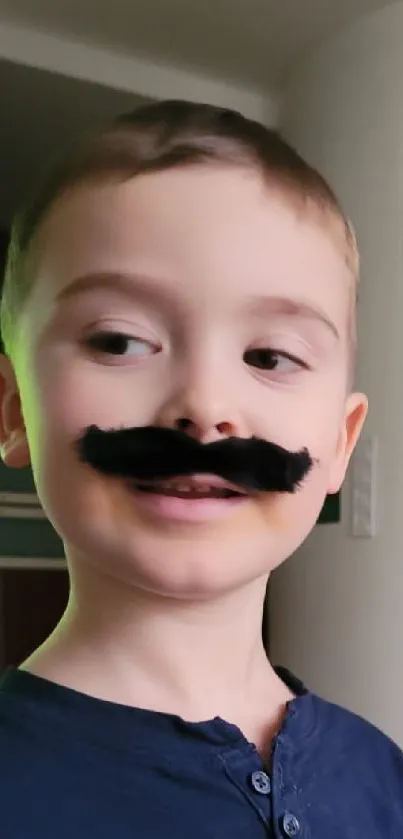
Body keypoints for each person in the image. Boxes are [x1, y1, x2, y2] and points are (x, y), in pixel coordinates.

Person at [0, 99, 399, 838]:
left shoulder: (386, 776)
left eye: (269, 356)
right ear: (13, 409)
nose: (205, 407)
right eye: (119, 341)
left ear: (341, 444)